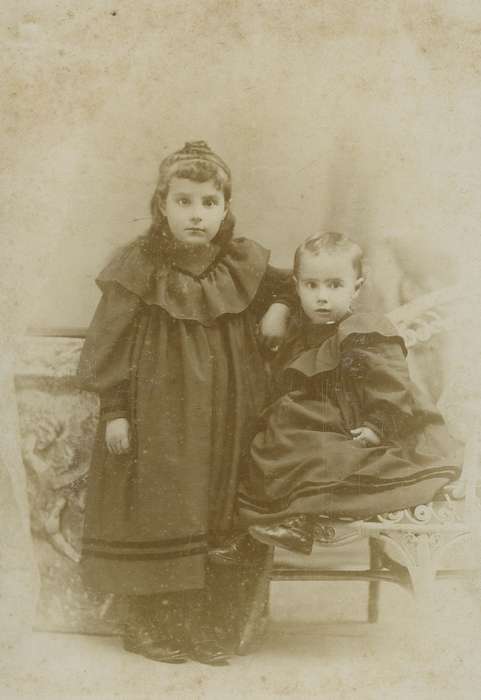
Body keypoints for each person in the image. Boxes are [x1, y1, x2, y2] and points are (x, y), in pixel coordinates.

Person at [76, 141, 293, 665]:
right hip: (160, 414)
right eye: (185, 201)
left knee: (216, 508)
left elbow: (292, 286)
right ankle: (147, 625)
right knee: (158, 507)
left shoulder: (243, 260)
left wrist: (279, 308)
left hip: (227, 412)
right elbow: (109, 343)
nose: (197, 214)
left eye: (209, 203)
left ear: (225, 208)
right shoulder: (138, 264)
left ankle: (204, 629)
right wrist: (115, 410)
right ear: (162, 205)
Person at [213, 232, 460, 559]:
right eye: (311, 286)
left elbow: (391, 386)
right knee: (265, 447)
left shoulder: (362, 330)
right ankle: (256, 527)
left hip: (355, 423)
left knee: (317, 455)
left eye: (334, 285)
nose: (322, 297)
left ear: (356, 287)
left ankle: (297, 520)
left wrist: (377, 425)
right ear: (297, 285)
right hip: (314, 421)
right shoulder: (300, 331)